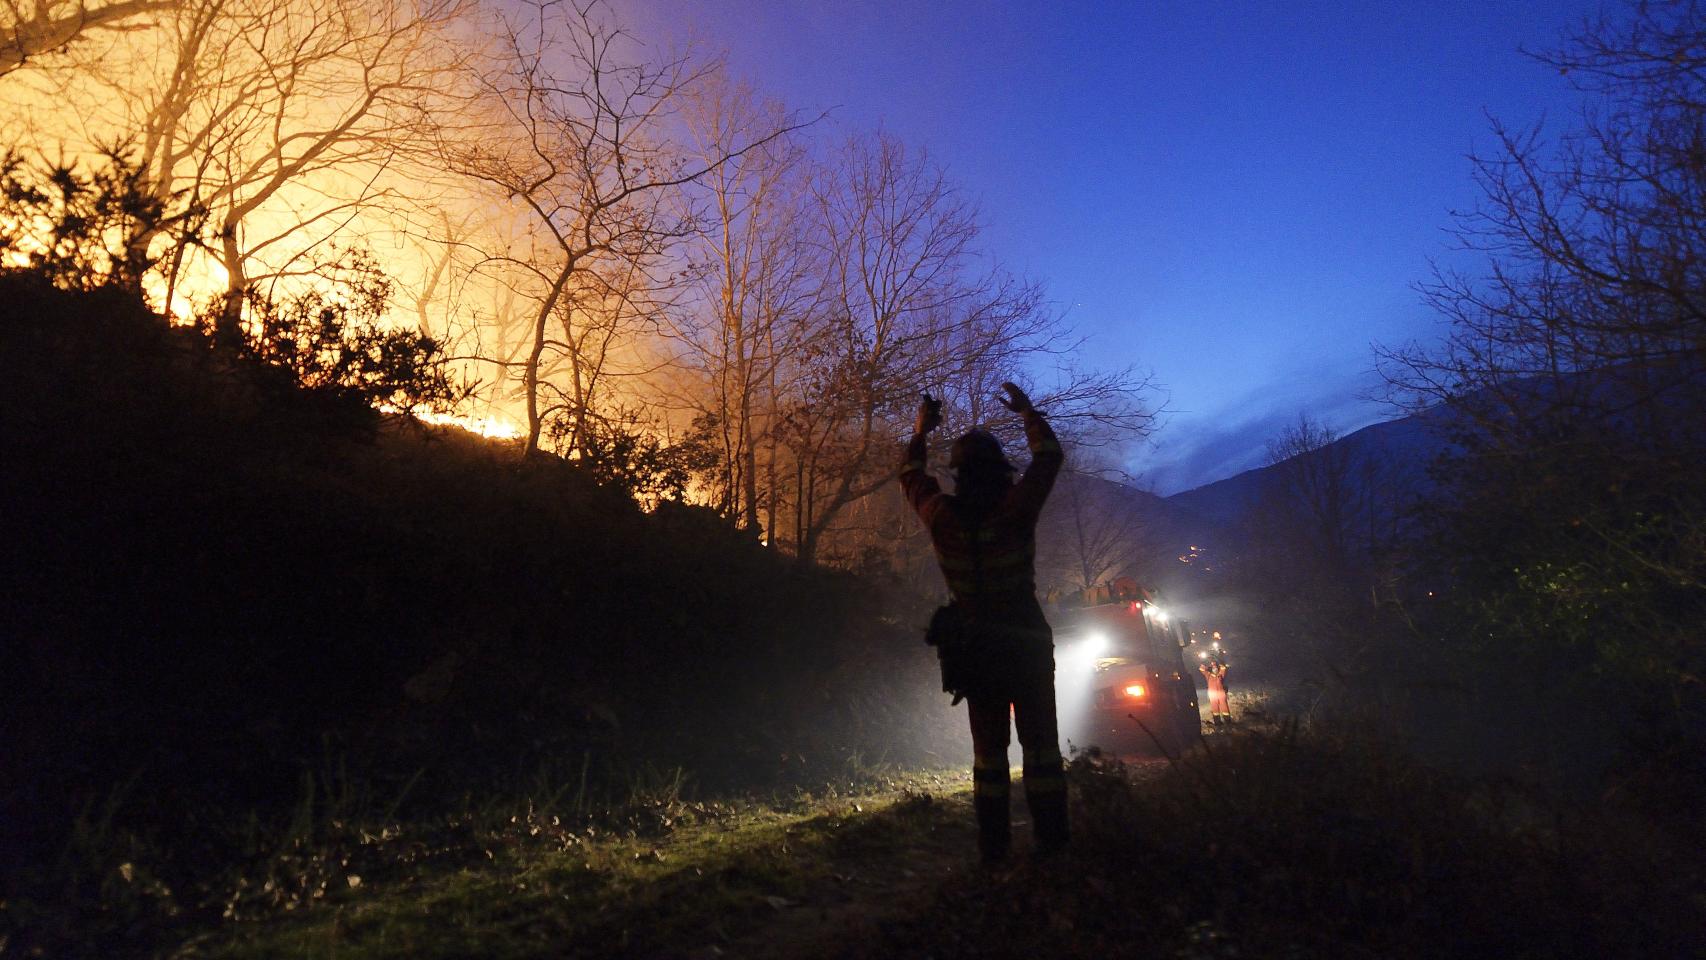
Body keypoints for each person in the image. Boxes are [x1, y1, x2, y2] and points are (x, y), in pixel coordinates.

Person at [900, 382, 1066, 863]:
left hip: (976, 648)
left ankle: (994, 853)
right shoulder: (1016, 509)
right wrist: (1028, 413)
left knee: (988, 756)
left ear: (958, 475)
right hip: (1027, 643)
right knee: (1042, 751)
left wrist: (920, 430)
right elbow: (1049, 459)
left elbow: (910, 475)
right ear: (1000, 471)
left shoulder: (941, 516)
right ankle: (1053, 849)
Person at [1200, 652, 1231, 726]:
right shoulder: (1208, 675)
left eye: (1216, 667)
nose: (1215, 669)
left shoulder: (1220, 674)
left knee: (1225, 708)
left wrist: (1219, 658)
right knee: (1215, 709)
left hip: (1221, 694)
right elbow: (1202, 669)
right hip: (1213, 695)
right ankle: (1217, 723)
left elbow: (1223, 667)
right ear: (1211, 669)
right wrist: (1204, 661)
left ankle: (1228, 722)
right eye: (1213, 668)